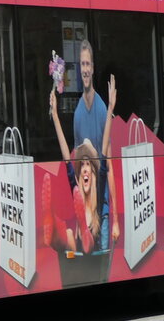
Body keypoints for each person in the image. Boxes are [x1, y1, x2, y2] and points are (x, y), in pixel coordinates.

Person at [50, 75, 116, 254]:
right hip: (80, 263)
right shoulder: (76, 192)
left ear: (94, 175)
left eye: (89, 165)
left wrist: (110, 108)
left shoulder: (100, 200)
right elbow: (66, 156)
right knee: (69, 234)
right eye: (83, 165)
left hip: (96, 262)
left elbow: (103, 150)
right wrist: (55, 116)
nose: (85, 169)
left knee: (73, 235)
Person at [67, 38, 119, 244]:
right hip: (86, 215)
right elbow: (78, 168)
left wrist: (116, 220)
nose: (85, 69)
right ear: (78, 68)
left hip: (103, 212)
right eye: (82, 64)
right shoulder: (78, 113)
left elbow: (110, 166)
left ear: (93, 68)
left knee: (105, 270)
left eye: (88, 64)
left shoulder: (100, 109)